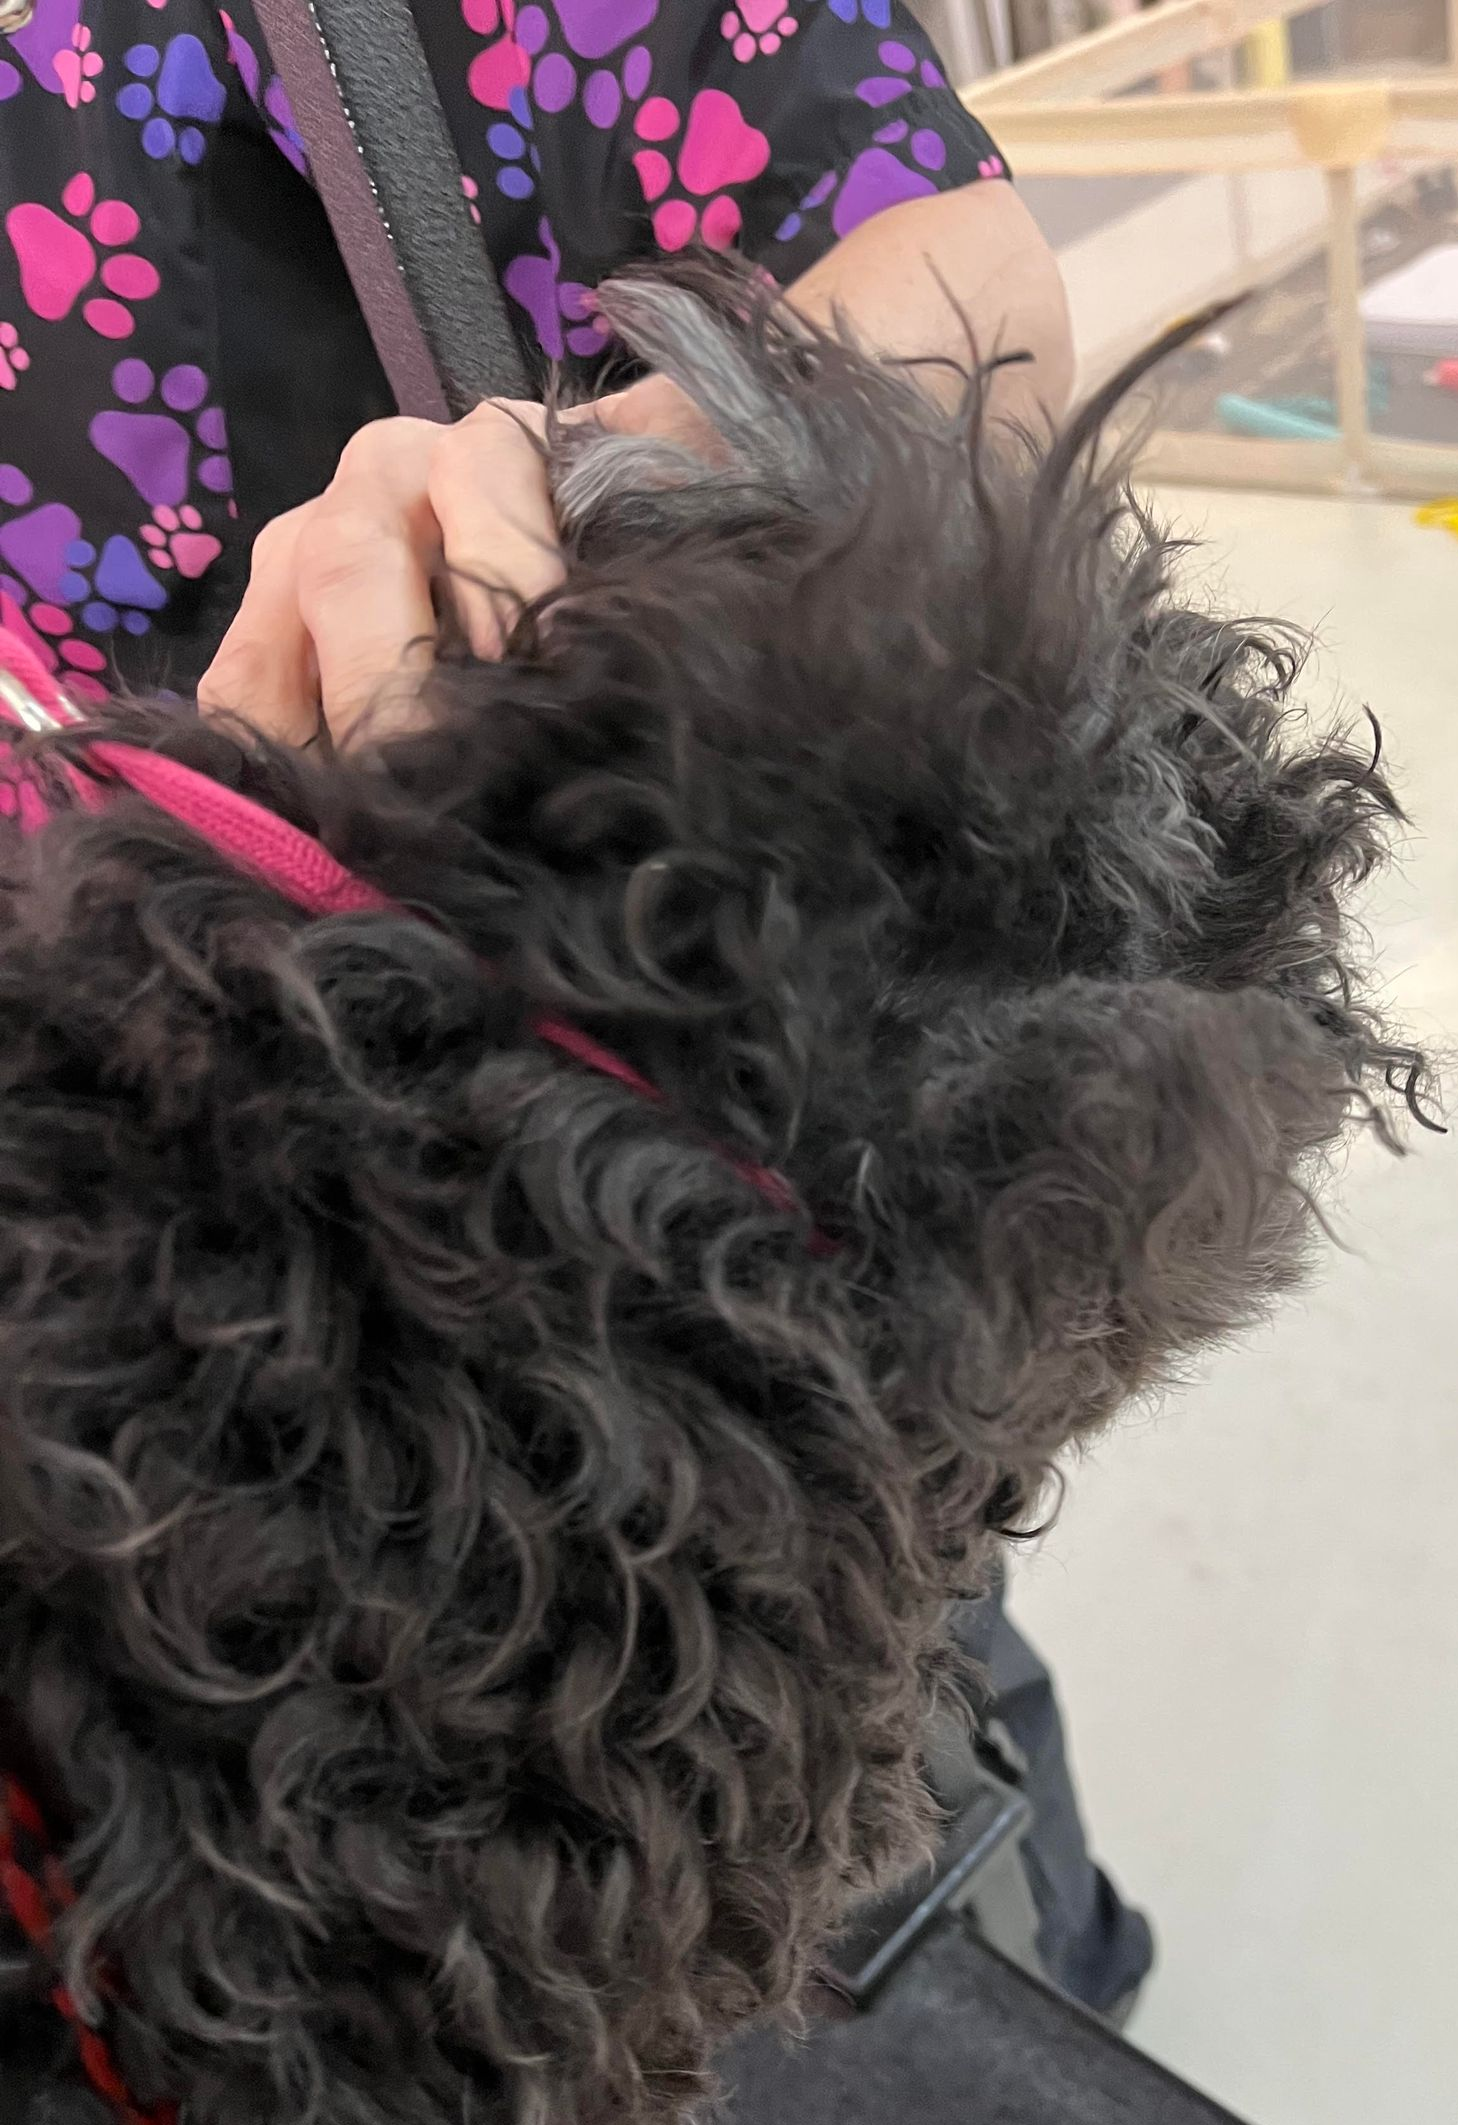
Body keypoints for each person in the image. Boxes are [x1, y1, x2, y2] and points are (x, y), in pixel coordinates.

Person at [0, 0, 1152, 2015]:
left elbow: (958, 296)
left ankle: (1033, 1970)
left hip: (610, 1129)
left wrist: (564, 493)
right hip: (156, 1269)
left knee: (856, 1666)